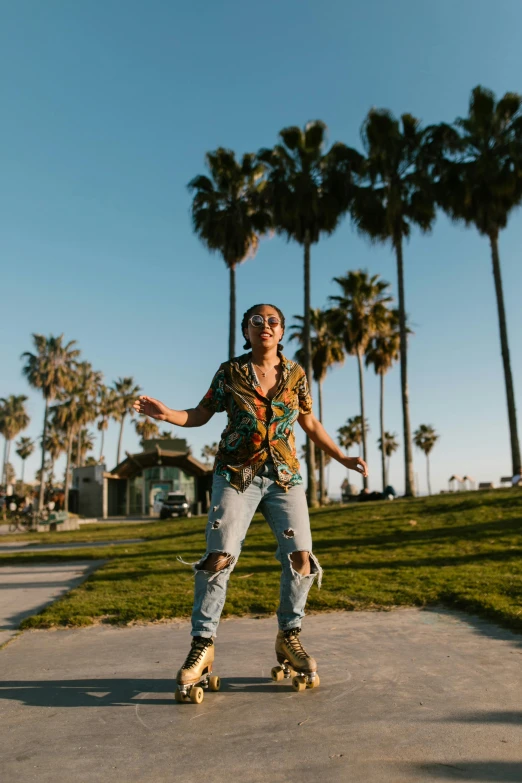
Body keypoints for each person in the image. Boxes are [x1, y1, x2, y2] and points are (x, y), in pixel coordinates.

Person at [134, 303, 368, 700]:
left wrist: (342, 457)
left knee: (301, 558)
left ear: (281, 331)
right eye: (256, 321)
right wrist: (167, 414)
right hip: (235, 475)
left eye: (272, 321)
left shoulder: (295, 375)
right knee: (218, 556)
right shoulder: (229, 372)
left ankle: (289, 636)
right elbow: (201, 414)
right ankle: (202, 645)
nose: (265, 326)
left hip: (284, 478)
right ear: (246, 330)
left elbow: (309, 422)